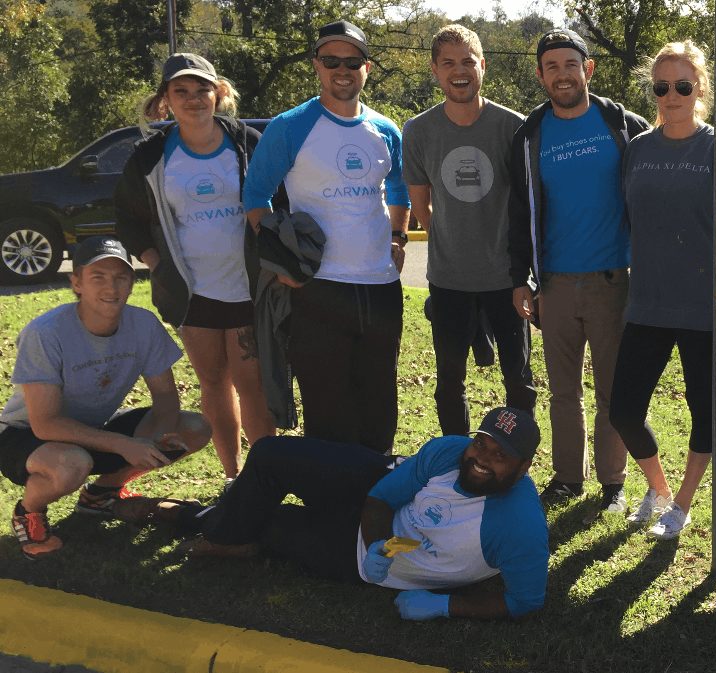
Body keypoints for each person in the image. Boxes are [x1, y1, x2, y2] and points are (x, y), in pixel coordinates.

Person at [176, 407, 548, 620]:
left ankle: (199, 521)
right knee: (270, 453)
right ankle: (225, 536)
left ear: (524, 467)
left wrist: (443, 605)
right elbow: (382, 498)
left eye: (501, 456)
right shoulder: (450, 450)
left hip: (352, 555)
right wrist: (379, 545)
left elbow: (525, 601)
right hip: (375, 496)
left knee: (271, 525)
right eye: (481, 443)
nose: (482, 458)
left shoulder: (520, 527)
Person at [242, 20, 410, 453]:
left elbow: (399, 189)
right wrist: (282, 260)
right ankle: (330, 507)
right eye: (331, 60)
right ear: (317, 65)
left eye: (352, 62)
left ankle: (372, 498)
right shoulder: (289, 126)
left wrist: (398, 238)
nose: (342, 69)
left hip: (380, 289)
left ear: (366, 68)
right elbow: (255, 194)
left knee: (379, 404)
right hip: (317, 287)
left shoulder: (386, 129)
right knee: (326, 406)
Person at [610, 40, 716, 540]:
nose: (672, 95)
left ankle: (684, 506)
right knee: (623, 409)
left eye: (683, 85)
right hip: (648, 303)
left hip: (703, 309)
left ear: (700, 90)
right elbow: (628, 221)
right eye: (662, 86)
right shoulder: (639, 150)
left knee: (706, 414)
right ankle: (659, 490)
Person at [507, 29, 651, 515]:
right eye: (552, 67)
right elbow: (518, 211)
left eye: (571, 64)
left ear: (588, 69)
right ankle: (569, 477)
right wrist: (520, 278)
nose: (562, 75)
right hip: (555, 285)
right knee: (563, 392)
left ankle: (613, 482)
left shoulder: (622, 124)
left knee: (614, 390)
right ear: (541, 76)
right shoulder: (530, 135)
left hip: (614, 281)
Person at [114, 53, 275, 481]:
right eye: (180, 91)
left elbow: (281, 200)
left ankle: (265, 478)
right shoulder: (149, 157)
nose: (193, 99)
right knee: (213, 383)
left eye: (201, 89)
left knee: (252, 385)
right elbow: (128, 220)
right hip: (192, 291)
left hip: (248, 286)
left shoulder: (247, 143)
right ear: (165, 101)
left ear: (218, 92)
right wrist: (156, 263)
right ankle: (233, 476)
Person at [1, 237, 211, 559]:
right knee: (73, 463)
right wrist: (123, 444)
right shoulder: (45, 333)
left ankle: (100, 495)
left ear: (131, 282)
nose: (111, 287)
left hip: (95, 427)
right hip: (24, 434)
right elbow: (45, 424)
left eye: (120, 277)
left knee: (194, 426)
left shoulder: (143, 324)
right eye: (98, 276)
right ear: (76, 283)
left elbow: (167, 396)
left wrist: (161, 436)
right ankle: (29, 511)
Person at [404, 25, 535, 437]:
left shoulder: (514, 127)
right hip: (448, 280)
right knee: (449, 384)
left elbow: (527, 204)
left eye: (467, 62)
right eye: (448, 64)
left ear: (483, 66)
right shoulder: (418, 131)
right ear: (435, 70)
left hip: (507, 279)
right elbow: (420, 205)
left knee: (519, 382)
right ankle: (455, 458)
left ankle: (516, 462)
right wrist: (452, 241)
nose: (458, 71)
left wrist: (521, 270)